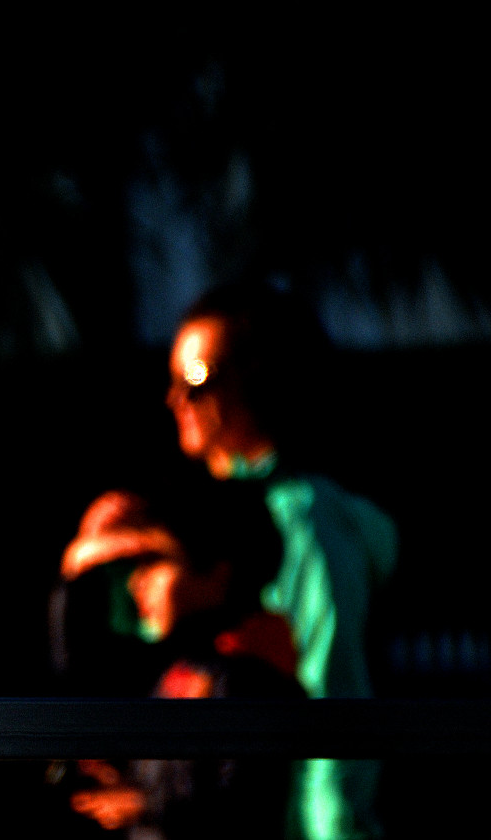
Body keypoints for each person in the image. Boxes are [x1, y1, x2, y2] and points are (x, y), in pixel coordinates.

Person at [57, 280, 399, 840]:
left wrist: (335, 833)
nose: (175, 399)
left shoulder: (303, 521)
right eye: (171, 380)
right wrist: (91, 563)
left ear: (257, 379)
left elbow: (335, 702)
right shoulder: (205, 515)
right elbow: (121, 657)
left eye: (195, 378)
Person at [68, 476, 305, 839]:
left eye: (155, 562)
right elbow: (74, 674)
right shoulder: (178, 664)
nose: (136, 583)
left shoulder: (248, 674)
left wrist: (146, 803)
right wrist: (75, 570)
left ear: (217, 574)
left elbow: (243, 804)